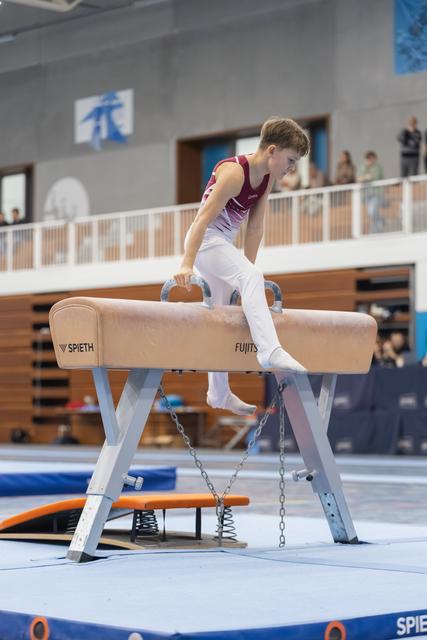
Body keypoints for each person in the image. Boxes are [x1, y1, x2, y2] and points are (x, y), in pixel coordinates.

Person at [173, 116, 310, 416]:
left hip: (224, 245)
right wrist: (186, 262)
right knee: (251, 276)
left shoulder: (267, 179)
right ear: (272, 150)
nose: (291, 169)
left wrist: (245, 275)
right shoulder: (235, 172)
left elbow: (255, 228)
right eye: (290, 160)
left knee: (222, 313)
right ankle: (269, 350)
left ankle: (218, 393)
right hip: (206, 242)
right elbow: (202, 219)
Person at [357, 151, 384, 233]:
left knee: (372, 211)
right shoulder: (363, 167)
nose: (370, 160)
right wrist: (366, 176)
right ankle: (381, 222)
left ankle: (377, 229)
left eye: (372, 158)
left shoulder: (377, 167)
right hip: (366, 194)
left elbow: (373, 176)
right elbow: (359, 178)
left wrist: (365, 177)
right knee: (371, 212)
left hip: (376, 193)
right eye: (368, 158)